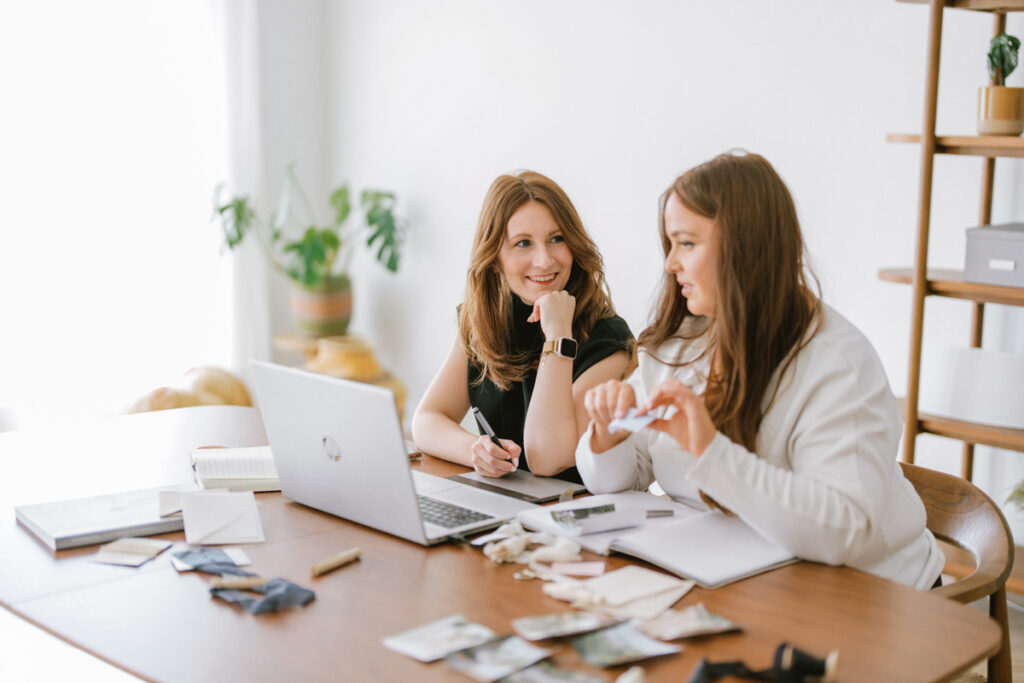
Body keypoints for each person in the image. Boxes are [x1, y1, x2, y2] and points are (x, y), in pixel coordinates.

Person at [578, 151, 944, 589]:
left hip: (866, 592)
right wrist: (609, 435)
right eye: (670, 243)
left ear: (744, 248)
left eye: (687, 243)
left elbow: (842, 530)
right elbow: (618, 482)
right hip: (737, 576)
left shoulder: (836, 363)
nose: (671, 263)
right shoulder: (678, 345)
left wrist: (710, 449)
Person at [412, 170, 634, 482]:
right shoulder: (481, 320)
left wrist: (558, 336)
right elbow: (427, 420)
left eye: (557, 239)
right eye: (523, 243)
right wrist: (475, 449)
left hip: (572, 517)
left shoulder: (609, 339)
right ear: (494, 257)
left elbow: (546, 458)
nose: (544, 260)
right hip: (507, 509)